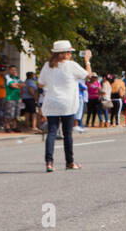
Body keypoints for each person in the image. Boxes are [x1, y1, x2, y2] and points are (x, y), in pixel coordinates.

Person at [38, 42, 92, 172]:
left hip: (51, 103)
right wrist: (87, 61)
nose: (70, 54)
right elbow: (88, 75)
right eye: (69, 52)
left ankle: (49, 162)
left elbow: (40, 84)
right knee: (67, 134)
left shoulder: (47, 65)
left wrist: (52, 84)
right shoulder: (71, 65)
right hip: (67, 103)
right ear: (63, 53)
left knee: (52, 132)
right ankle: (69, 162)